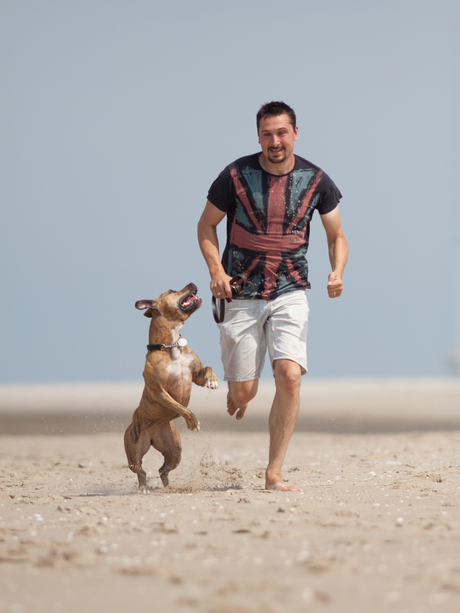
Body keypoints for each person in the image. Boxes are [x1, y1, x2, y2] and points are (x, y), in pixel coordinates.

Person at [197, 101, 348, 491]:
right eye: (267, 134)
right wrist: (217, 271)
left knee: (290, 376)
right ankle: (240, 391)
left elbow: (337, 236)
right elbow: (206, 227)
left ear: (295, 133)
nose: (275, 141)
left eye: (281, 133)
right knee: (245, 390)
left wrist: (337, 270)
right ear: (259, 137)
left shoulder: (317, 180)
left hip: (290, 290)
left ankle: (273, 472)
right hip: (242, 293)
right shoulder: (234, 176)